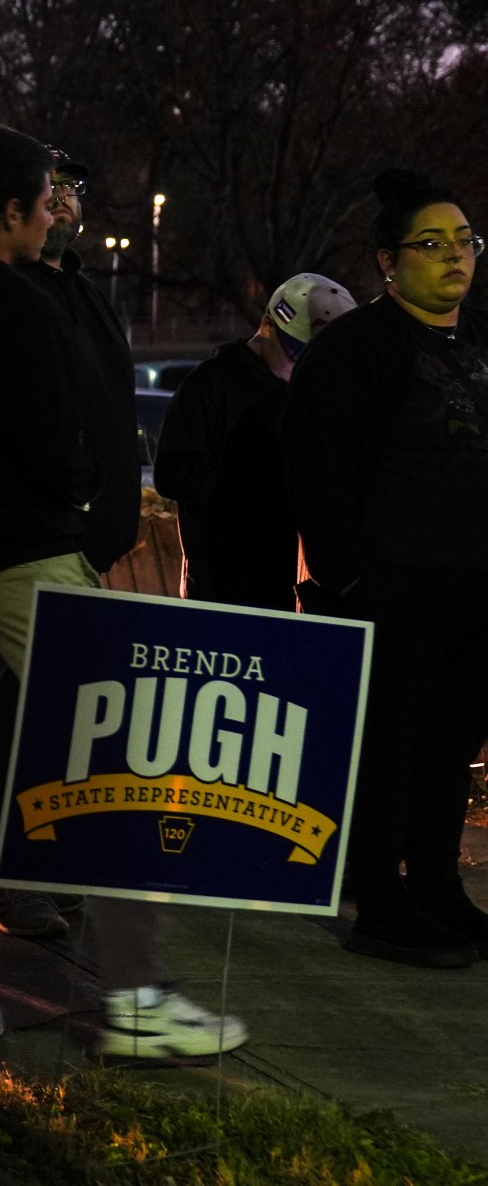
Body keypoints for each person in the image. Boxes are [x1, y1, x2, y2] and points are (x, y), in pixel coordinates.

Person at [0, 125, 246, 1058]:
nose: (53, 211)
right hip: (31, 569)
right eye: (43, 197)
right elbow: (58, 441)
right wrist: (68, 514)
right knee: (118, 777)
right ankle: (145, 1005)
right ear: (9, 212)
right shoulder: (27, 306)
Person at [284, 169, 488, 968]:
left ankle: (437, 885)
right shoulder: (354, 349)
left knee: (451, 745)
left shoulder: (479, 339)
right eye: (431, 244)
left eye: (465, 242)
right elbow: (313, 466)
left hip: (474, 589)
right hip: (392, 588)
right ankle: (380, 898)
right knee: (388, 746)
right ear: (387, 262)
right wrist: (353, 576)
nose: (454, 258)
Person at [0, 152, 138, 942]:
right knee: (16, 715)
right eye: (49, 189)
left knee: (61, 717)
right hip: (24, 539)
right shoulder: (3, 292)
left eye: (74, 188)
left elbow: (110, 407)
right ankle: (1, 869)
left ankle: (35, 862)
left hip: (81, 539)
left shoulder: (86, 297)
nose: (64, 202)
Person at [157, 272, 353, 609]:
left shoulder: (314, 393)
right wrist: (256, 484)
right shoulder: (211, 384)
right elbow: (174, 471)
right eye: (297, 353)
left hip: (295, 585)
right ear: (267, 326)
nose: (304, 368)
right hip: (223, 585)